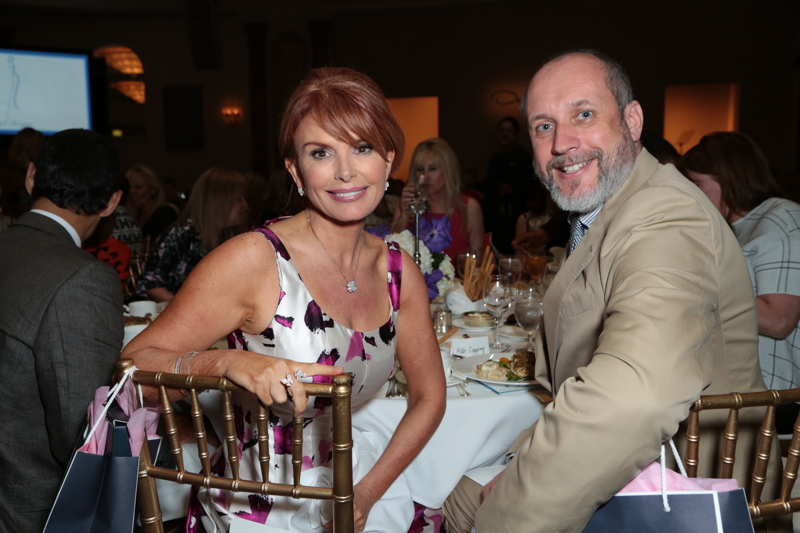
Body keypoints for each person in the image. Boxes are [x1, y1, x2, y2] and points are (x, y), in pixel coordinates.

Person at [444, 50, 775, 533]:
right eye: (543, 126)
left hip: (681, 484)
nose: (562, 143)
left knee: (464, 507)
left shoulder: (667, 218)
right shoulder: (611, 208)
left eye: (583, 114)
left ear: (632, 121)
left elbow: (634, 398)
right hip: (634, 451)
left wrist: (506, 511)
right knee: (456, 494)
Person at [122, 67, 445, 533]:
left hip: (356, 481)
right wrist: (226, 363)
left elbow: (430, 396)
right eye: (321, 152)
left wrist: (368, 492)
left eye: (362, 147)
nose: (346, 170)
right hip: (259, 503)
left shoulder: (398, 271)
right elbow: (130, 369)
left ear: (389, 159)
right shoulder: (255, 260)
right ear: (296, 171)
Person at [0, 129, 124, 533]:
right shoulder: (82, 279)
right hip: (33, 509)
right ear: (111, 202)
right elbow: (84, 436)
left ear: (31, 177)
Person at [678, 132, 800, 431]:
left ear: (728, 178)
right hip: (740, 388)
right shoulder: (733, 227)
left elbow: (779, 318)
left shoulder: (782, 217)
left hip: (775, 394)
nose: (691, 196)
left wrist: (692, 291)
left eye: (697, 185)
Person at [138, 167, 248, 302]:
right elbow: (151, 283)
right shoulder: (182, 234)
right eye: (239, 199)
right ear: (221, 201)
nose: (245, 204)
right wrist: (184, 307)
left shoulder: (227, 235)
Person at [392, 137, 484, 261]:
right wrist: (404, 212)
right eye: (420, 169)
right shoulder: (408, 204)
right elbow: (391, 254)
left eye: (432, 169)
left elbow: (478, 261)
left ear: (448, 170)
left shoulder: (468, 207)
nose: (425, 176)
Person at [482, 117, 537, 254]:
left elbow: (533, 186)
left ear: (516, 134)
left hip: (515, 220)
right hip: (494, 220)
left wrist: (512, 189)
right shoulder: (494, 159)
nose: (505, 134)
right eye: (502, 130)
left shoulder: (524, 158)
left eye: (509, 130)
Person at [125, 163, 179, 239]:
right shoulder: (132, 217)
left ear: (153, 190)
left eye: (138, 187)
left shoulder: (165, 214)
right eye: (129, 187)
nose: (131, 191)